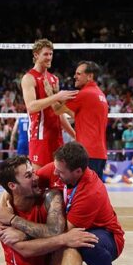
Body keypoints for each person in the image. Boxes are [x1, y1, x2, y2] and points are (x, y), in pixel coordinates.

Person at [0, 142, 125, 265]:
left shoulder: (90, 192)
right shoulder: (53, 171)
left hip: (105, 235)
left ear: (77, 171)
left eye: (60, 172)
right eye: (55, 168)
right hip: (37, 264)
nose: (53, 173)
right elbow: (12, 188)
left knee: (79, 243)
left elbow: (61, 234)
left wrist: (16, 225)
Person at [21, 39, 77, 169]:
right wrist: (56, 96)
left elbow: (59, 113)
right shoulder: (29, 78)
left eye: (51, 54)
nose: (49, 57)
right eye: (45, 54)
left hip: (56, 135)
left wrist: (74, 134)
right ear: (36, 55)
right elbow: (31, 107)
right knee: (37, 180)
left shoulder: (54, 78)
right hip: (40, 136)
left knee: (58, 179)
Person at [53, 61, 109, 178]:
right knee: (93, 191)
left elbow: (57, 110)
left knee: (83, 192)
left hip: (87, 153)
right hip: (99, 153)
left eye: (78, 74)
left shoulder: (84, 94)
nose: (75, 77)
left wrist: (51, 93)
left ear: (89, 76)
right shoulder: (99, 94)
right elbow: (77, 115)